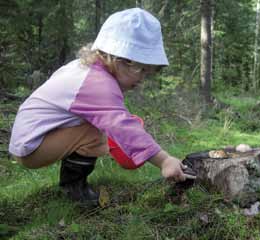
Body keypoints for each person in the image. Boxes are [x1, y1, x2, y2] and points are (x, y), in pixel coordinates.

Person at [9, 8, 195, 206]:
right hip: (31, 147)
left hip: (30, 139)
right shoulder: (98, 84)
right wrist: (164, 160)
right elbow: (123, 127)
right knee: (96, 133)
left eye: (147, 72)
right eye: (141, 70)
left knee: (99, 130)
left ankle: (73, 186)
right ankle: (75, 191)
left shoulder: (85, 70)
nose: (142, 78)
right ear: (119, 59)